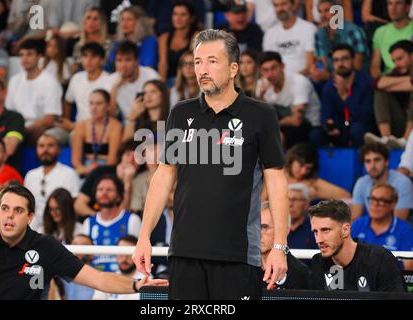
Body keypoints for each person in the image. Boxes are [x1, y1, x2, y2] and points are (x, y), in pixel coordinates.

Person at [133, 29, 289, 300]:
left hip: (237, 255)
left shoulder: (260, 115)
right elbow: (164, 175)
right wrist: (144, 235)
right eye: (197, 62)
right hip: (184, 252)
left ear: (233, 68)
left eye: (212, 61)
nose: (202, 70)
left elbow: (276, 180)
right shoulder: (180, 113)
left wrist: (280, 246)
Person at [0, 184, 167, 299]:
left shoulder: (46, 247)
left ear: (30, 217)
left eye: (18, 211)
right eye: (5, 208)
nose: (9, 216)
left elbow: (98, 278)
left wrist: (137, 286)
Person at [309, 199, 407, 291]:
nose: (318, 239)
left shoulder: (380, 259)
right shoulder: (318, 262)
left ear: (345, 230)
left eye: (325, 230)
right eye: (315, 232)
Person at [311, 44, 375, 148]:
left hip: (361, 126)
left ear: (353, 60)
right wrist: (329, 125)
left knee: (356, 129)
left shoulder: (366, 82)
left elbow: (366, 116)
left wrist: (345, 96)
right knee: (316, 135)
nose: (340, 63)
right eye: (336, 60)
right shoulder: (329, 87)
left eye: (344, 59)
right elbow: (326, 114)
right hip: (339, 128)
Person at [256, 51, 321, 149]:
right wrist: (260, 97)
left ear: (283, 66)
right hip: (283, 123)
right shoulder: (262, 85)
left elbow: (297, 121)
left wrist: (274, 124)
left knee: (290, 132)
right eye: (265, 70)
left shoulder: (299, 82)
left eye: (273, 68)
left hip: (310, 124)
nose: (270, 74)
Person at [6, 39, 63, 146]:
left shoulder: (50, 82)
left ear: (39, 57)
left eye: (29, 54)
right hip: (17, 127)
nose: (24, 59)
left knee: (37, 133)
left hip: (38, 128)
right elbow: (9, 113)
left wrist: (23, 130)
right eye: (21, 55)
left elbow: (49, 120)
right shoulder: (14, 81)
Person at [82, 174, 141, 273]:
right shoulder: (88, 223)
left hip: (124, 277)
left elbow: (138, 254)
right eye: (100, 189)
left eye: (109, 190)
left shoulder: (132, 220)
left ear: (119, 195)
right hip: (94, 279)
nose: (104, 193)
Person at [24, 134, 81, 232]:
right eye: (41, 146)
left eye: (50, 145)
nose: (45, 150)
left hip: (60, 226)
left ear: (59, 150)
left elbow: (74, 205)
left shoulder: (69, 173)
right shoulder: (30, 175)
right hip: (33, 224)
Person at [352, 183, 413, 270]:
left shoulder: (405, 230)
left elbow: (409, 263)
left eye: (381, 200)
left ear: (393, 204)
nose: (375, 204)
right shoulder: (358, 224)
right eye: (372, 199)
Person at [365, 40, 413, 148]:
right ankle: (386, 139)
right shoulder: (397, 71)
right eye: (394, 60)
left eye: (400, 59)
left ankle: (406, 139)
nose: (396, 64)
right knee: (380, 92)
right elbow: (377, 83)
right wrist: (408, 80)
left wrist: (393, 85)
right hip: (401, 122)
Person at [74, 139, 140, 217]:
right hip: (91, 221)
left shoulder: (140, 180)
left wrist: (128, 183)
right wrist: (99, 221)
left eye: (136, 156)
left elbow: (124, 215)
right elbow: (79, 205)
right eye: (128, 154)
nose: (131, 159)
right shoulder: (100, 172)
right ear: (121, 156)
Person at [351, 142, 413, 221]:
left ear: (386, 162)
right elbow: (355, 219)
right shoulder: (361, 182)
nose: (372, 166)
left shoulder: (403, 183)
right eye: (368, 161)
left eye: (377, 160)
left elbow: (398, 223)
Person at [313, 0, 370, 82]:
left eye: (327, 11)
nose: (323, 15)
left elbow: (357, 67)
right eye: (320, 11)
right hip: (332, 78)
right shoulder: (319, 34)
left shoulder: (352, 31)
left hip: (355, 79)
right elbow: (322, 63)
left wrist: (329, 76)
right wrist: (318, 70)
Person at [71, 89, 123, 176]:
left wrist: (96, 170)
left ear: (108, 106)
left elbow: (112, 160)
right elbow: (75, 160)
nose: (94, 108)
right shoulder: (81, 125)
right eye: (91, 103)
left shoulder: (116, 126)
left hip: (107, 169)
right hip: (86, 168)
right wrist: (86, 170)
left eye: (99, 104)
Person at [64, 42, 114, 131]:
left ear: (102, 60)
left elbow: (111, 112)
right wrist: (67, 123)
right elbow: (68, 102)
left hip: (101, 129)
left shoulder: (110, 80)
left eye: (93, 56)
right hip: (77, 128)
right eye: (85, 56)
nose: (88, 60)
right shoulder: (76, 78)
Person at [261, 201, 311, 290]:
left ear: (284, 232)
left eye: (265, 227)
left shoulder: (299, 273)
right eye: (255, 227)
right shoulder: (242, 268)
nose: (258, 233)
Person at [109, 40, 160, 120]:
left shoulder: (151, 75)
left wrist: (161, 130)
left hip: (153, 122)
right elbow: (110, 117)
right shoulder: (112, 80)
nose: (123, 65)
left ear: (136, 61)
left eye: (128, 60)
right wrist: (114, 88)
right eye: (119, 60)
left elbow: (163, 107)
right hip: (129, 123)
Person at [263, 0, 317, 76]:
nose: (280, 9)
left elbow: (310, 66)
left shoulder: (309, 29)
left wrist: (289, 81)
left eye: (283, 4)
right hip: (276, 81)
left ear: (293, 5)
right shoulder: (269, 33)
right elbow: (266, 64)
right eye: (276, 5)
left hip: (302, 79)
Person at [283, 143, 351, 200]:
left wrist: (315, 194)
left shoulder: (313, 182)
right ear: (291, 161)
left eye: (308, 168)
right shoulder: (278, 175)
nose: (303, 171)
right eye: (300, 165)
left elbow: (346, 196)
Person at [158, 0, 200, 84]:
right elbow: (163, 64)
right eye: (175, 14)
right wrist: (163, 88)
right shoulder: (164, 37)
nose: (178, 18)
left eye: (183, 14)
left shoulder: (196, 36)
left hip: (189, 82)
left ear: (191, 18)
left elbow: (193, 65)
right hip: (169, 81)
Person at [92, 235, 146, 300]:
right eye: (121, 252)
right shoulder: (107, 278)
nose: (124, 258)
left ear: (138, 256)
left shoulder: (147, 281)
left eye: (129, 254)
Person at [106, 6, 158, 72]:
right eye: (122, 19)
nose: (124, 23)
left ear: (140, 22)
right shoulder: (117, 43)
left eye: (129, 19)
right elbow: (110, 66)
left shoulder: (149, 41)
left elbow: (148, 67)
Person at [370, 0, 412, 78]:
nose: (393, 8)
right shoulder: (380, 32)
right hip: (389, 79)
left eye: (398, 3)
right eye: (390, 4)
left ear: (407, 7)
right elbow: (375, 68)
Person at [71, 7, 111, 72]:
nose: (91, 22)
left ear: (102, 22)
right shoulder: (78, 45)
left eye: (95, 19)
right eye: (88, 18)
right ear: (84, 21)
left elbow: (107, 66)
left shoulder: (108, 44)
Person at [287, 183, 317, 250]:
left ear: (306, 204)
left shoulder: (314, 229)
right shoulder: (275, 228)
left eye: (295, 200)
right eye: (287, 199)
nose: (290, 204)